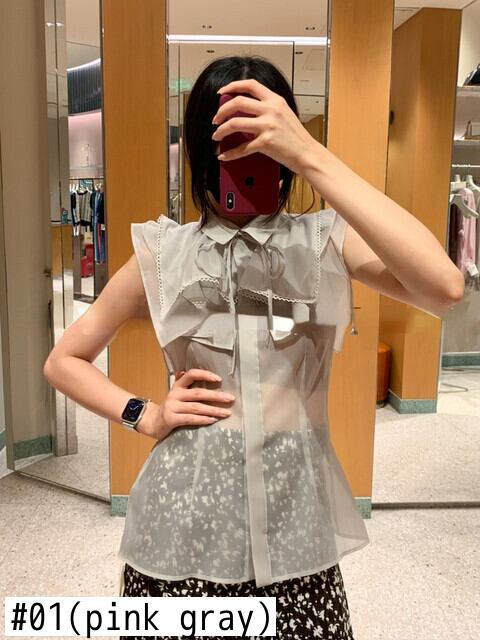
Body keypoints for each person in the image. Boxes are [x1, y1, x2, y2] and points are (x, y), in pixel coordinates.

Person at [43, 56, 464, 640]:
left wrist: (310, 155)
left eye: (264, 141)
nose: (246, 159)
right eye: (230, 143)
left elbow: (443, 287)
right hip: (183, 534)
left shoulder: (325, 243)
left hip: (295, 536)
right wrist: (147, 414)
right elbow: (63, 360)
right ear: (202, 152)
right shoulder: (164, 254)